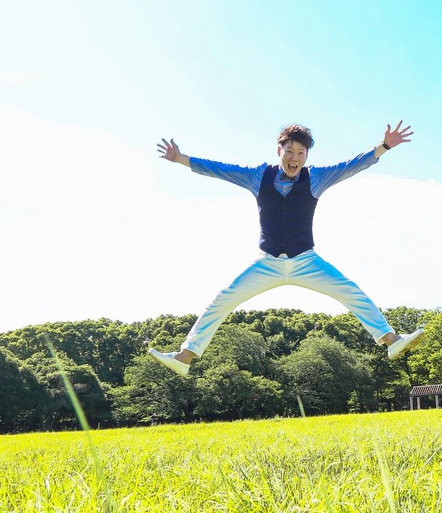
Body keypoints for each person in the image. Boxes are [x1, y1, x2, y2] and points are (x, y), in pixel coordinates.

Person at [147, 122, 424, 376]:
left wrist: (384, 146)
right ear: (279, 150)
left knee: (350, 291)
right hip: (267, 262)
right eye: (290, 151)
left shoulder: (316, 178)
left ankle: (391, 340)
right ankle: (185, 356)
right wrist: (181, 159)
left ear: (307, 156)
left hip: (306, 261)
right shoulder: (259, 176)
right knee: (223, 299)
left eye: (301, 153)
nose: (295, 158)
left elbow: (351, 165)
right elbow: (221, 169)